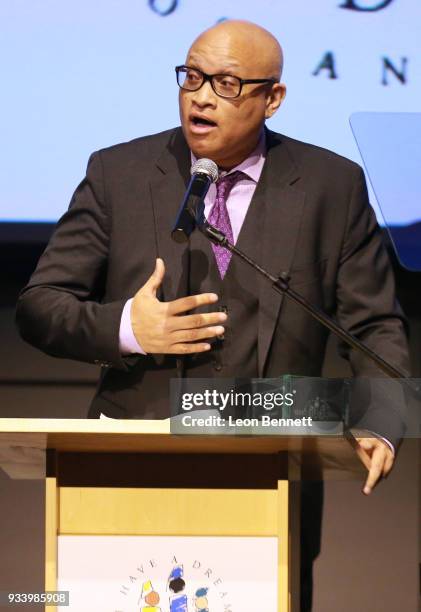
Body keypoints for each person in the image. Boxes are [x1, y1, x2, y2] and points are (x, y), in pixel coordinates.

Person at [16, 19, 410, 611]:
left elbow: (373, 322)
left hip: (274, 464)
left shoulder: (334, 185)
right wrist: (127, 329)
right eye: (192, 77)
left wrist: (380, 416)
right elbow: (40, 306)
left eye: (225, 84)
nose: (200, 96)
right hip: (129, 465)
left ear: (272, 98)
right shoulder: (118, 173)